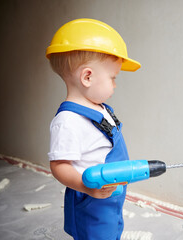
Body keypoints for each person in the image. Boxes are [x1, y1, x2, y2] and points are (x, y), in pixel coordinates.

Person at [46, 18, 141, 240]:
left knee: (111, 230)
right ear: (87, 77)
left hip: (110, 194)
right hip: (91, 199)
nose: (115, 85)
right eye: (113, 78)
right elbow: (59, 165)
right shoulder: (68, 121)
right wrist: (86, 187)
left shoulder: (100, 108)